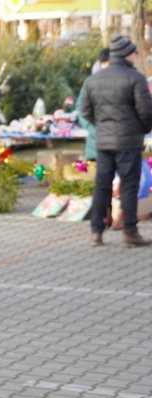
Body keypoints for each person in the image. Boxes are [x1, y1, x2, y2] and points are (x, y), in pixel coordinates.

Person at [81, 35, 152, 247]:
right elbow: (146, 112)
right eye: (134, 53)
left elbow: (85, 110)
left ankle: (96, 232)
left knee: (101, 186)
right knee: (129, 186)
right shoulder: (135, 78)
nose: (136, 56)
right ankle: (129, 232)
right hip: (128, 141)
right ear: (127, 54)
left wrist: (102, 126)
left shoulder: (93, 79)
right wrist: (142, 129)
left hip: (103, 142)